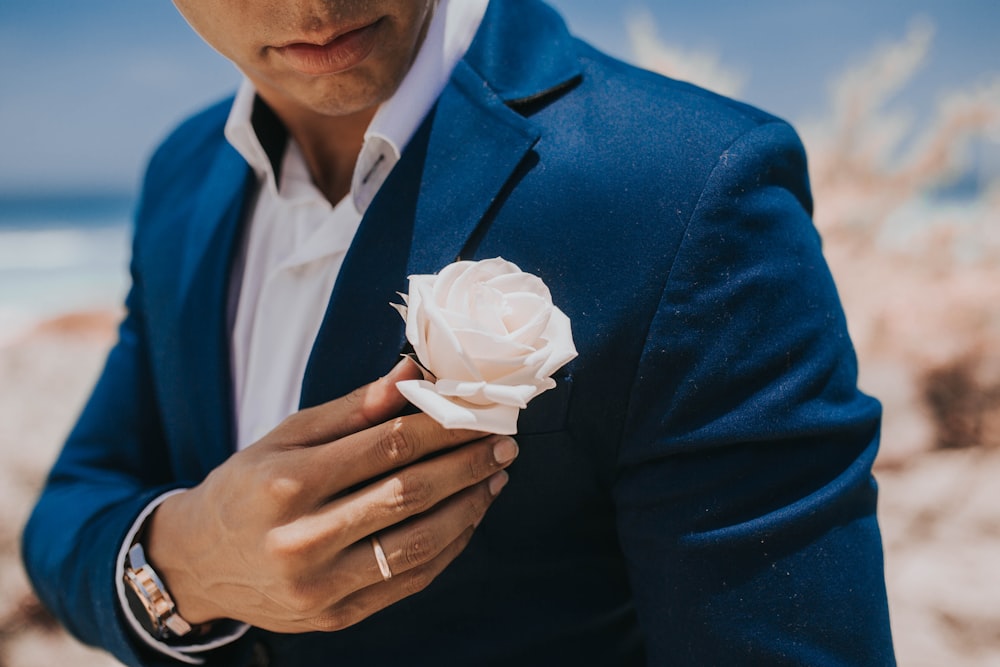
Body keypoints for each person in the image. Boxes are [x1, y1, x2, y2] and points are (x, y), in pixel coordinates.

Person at [22, 0, 896, 665]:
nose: (313, 5)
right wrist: (185, 567)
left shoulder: (690, 186)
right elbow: (73, 501)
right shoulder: (183, 174)